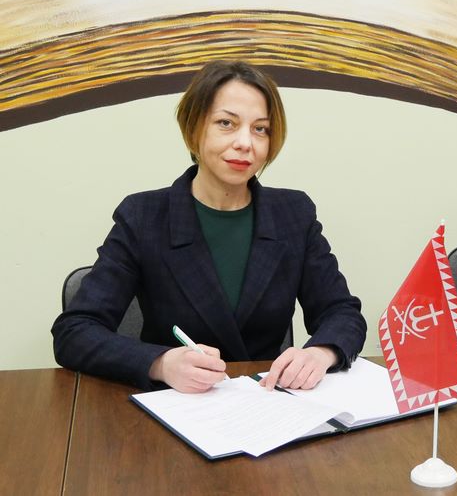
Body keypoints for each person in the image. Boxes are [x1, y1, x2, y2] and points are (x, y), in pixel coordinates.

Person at [52, 60, 366, 392]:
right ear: (194, 129)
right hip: (178, 404)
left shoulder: (293, 213)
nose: (245, 142)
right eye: (226, 123)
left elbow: (341, 312)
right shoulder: (143, 216)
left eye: (260, 129)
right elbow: (75, 332)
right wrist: (160, 363)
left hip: (267, 400)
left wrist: (321, 352)